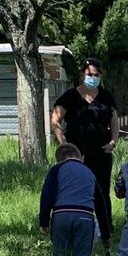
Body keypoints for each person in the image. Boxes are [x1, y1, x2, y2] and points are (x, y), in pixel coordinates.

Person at [52, 58, 120, 244]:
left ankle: (106, 230)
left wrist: (113, 141)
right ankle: (74, 227)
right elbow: (55, 120)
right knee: (75, 190)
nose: (93, 78)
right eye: (90, 74)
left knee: (102, 191)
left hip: (101, 153)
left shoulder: (106, 97)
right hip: (76, 155)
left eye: (96, 75)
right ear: (82, 74)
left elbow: (114, 121)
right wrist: (66, 145)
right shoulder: (70, 96)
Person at [38, 143, 99, 256]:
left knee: (60, 254)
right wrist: (106, 232)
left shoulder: (56, 169)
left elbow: (47, 196)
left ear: (59, 159)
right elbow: (100, 202)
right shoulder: (89, 172)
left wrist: (44, 221)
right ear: (80, 157)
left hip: (61, 215)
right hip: (85, 216)